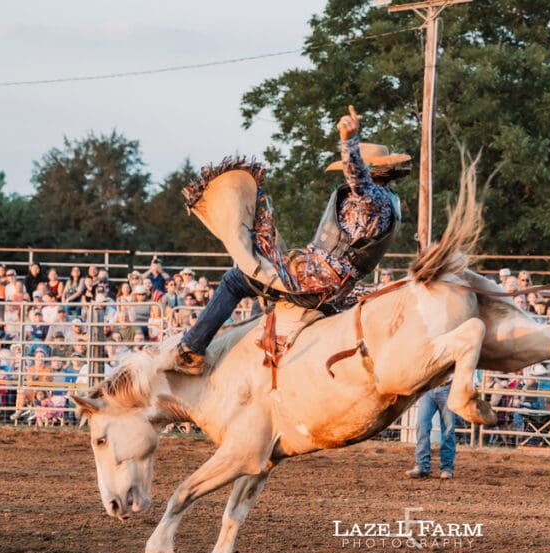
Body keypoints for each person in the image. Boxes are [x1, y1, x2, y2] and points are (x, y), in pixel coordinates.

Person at [173, 105, 409, 374]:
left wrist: (349, 141)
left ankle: (191, 348)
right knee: (266, 263)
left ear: (371, 171)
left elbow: (357, 175)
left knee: (236, 279)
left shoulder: (370, 197)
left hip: (316, 282)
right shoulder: (389, 202)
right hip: (336, 287)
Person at [406, 379, 456, 479]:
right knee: (422, 425)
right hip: (429, 387)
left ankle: (447, 468)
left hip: (448, 387)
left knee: (448, 429)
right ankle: (421, 466)